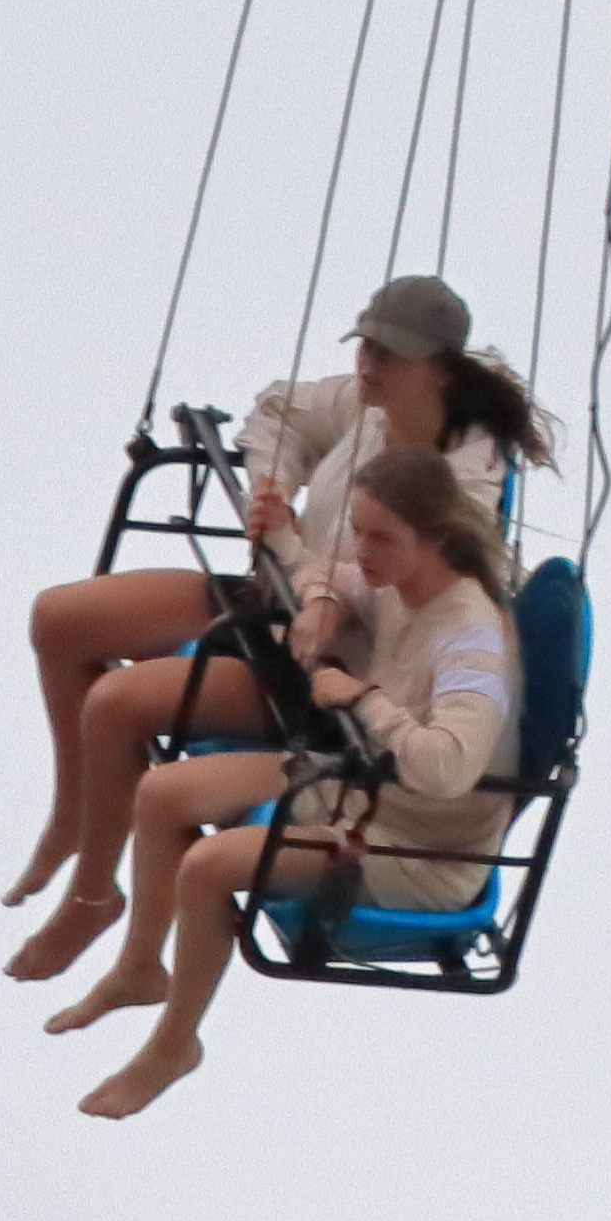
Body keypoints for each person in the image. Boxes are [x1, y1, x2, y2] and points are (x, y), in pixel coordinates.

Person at [8, 279, 545, 981]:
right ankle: (77, 817)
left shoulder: (459, 485)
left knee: (119, 703)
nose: (370, 365)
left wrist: (308, 571)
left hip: (324, 665)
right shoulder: (371, 409)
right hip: (278, 601)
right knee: (62, 618)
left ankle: (94, 894)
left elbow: (402, 598)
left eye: (393, 354)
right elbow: (279, 411)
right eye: (368, 346)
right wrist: (273, 489)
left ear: (441, 368)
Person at [41, 448, 516, 1116]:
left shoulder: (471, 638)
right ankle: (139, 968)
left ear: (435, 538)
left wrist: (360, 698)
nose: (365, 549)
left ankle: (174, 1043)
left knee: (208, 865)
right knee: (163, 793)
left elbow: (447, 767)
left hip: (412, 849)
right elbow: (326, 571)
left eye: (380, 537)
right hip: (354, 785)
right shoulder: (395, 579)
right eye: (360, 529)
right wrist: (321, 599)